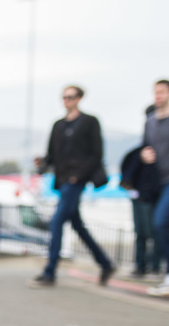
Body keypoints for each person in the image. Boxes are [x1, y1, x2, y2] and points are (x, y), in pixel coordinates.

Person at [28, 86, 115, 288]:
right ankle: (105, 263)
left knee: (56, 221)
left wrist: (79, 176)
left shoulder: (89, 122)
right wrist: (42, 163)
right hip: (62, 180)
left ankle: (50, 272)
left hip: (76, 181)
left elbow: (96, 154)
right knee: (76, 225)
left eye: (70, 97)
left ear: (79, 98)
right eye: (64, 97)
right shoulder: (58, 125)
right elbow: (51, 154)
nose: (66, 101)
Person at [119, 134, 164, 279]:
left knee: (153, 231)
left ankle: (152, 266)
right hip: (141, 197)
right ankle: (142, 266)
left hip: (151, 198)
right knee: (143, 233)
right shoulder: (138, 153)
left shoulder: (160, 154)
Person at [144, 80, 169, 297]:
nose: (157, 96)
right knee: (158, 226)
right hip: (158, 182)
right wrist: (145, 154)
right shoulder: (150, 121)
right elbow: (146, 146)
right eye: (156, 92)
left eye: (162, 92)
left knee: (160, 223)